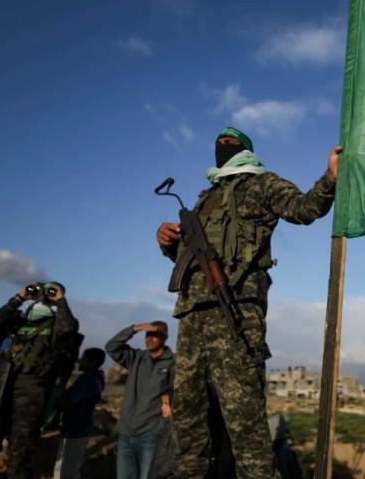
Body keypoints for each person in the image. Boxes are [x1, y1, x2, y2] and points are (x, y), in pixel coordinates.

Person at [156, 126, 341, 478]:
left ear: (245, 150)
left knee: (245, 421)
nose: (223, 147)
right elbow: (191, 260)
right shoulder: (203, 198)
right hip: (192, 315)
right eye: (219, 143)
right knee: (188, 417)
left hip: (234, 312)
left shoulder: (262, 183)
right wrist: (167, 244)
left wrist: (330, 178)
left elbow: (304, 208)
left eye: (231, 143)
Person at [0, 282, 79, 479]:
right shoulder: (18, 321)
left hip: (31, 390)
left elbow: (68, 327)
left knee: (20, 450)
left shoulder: (57, 325)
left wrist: (60, 300)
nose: (44, 296)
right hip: (0, 384)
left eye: (49, 292)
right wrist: (19, 298)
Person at [106, 321, 174, 479]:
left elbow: (177, 394)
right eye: (147, 334)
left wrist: (162, 423)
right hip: (125, 432)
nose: (149, 338)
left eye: (155, 334)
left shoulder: (173, 363)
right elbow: (111, 347)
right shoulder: (136, 358)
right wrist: (134, 329)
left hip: (151, 433)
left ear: (165, 336)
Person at [53, 347, 106, 479]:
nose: (80, 361)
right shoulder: (88, 379)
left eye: (84, 359)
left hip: (77, 428)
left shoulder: (89, 382)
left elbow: (69, 403)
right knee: (62, 468)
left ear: (92, 363)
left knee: (68, 470)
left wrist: (56, 400)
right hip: (73, 428)